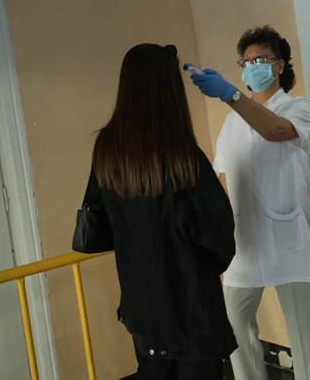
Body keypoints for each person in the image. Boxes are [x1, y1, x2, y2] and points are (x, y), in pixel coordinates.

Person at [80, 44, 237, 380]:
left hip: (141, 306)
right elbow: (218, 234)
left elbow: (99, 223)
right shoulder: (183, 155)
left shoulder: (106, 149)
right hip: (193, 308)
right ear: (169, 88)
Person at [189, 26, 310, 380]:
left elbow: (276, 131)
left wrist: (231, 95)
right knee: (234, 324)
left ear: (279, 65)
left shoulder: (299, 108)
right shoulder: (231, 123)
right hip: (243, 240)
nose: (252, 66)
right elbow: (223, 179)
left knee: (304, 334)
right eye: (246, 62)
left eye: (260, 59)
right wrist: (217, 237)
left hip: (287, 236)